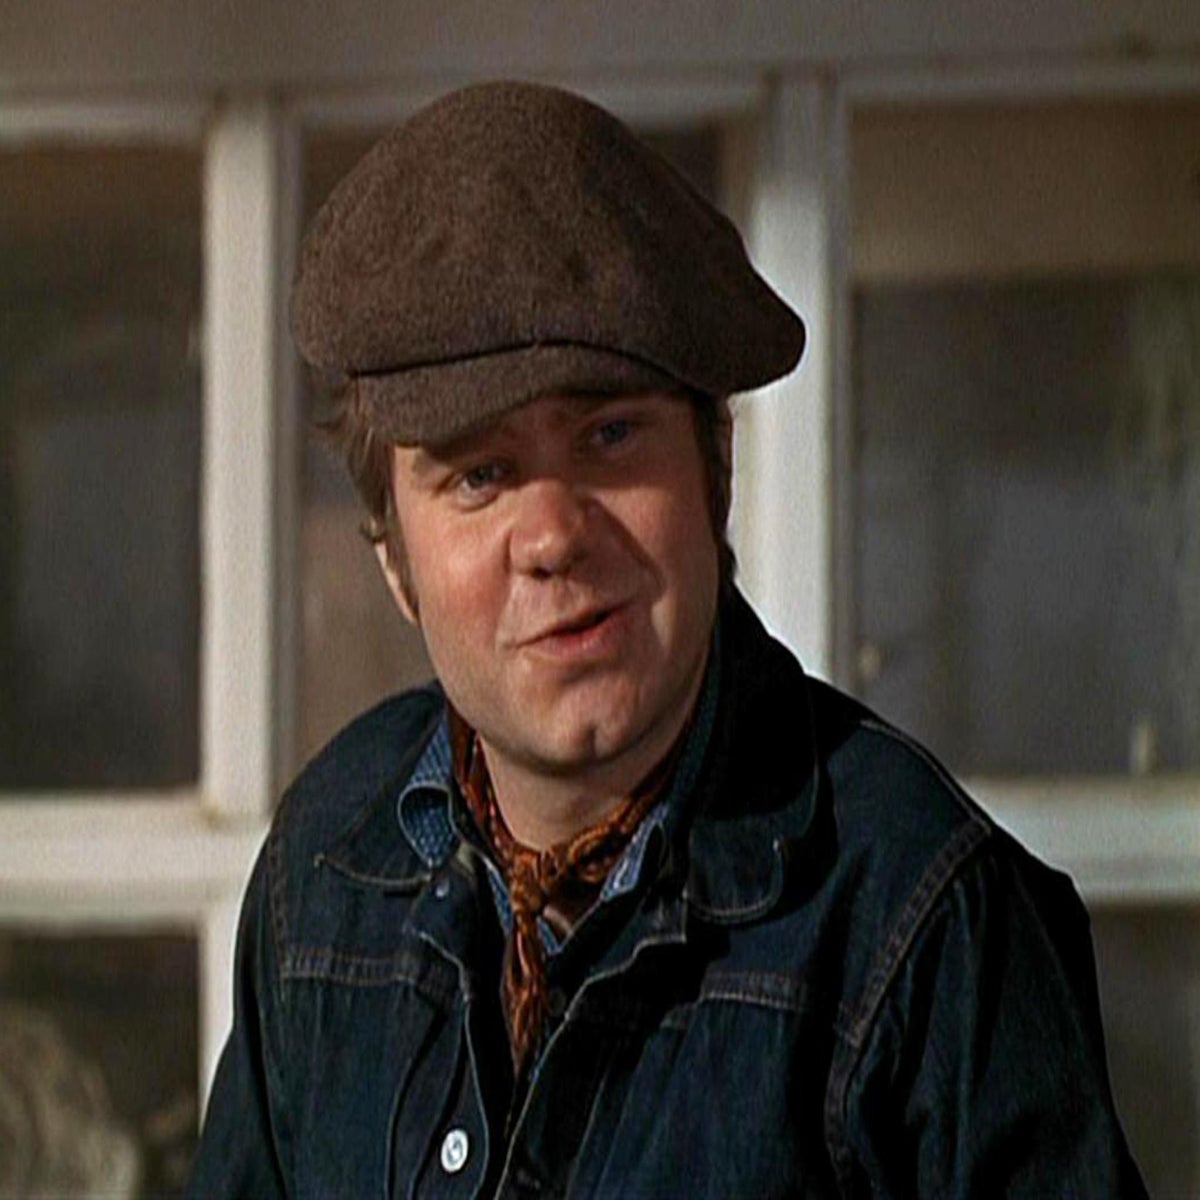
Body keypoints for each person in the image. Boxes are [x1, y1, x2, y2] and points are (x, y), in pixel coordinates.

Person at [188, 80, 1147, 1198]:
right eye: (480, 473)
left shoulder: (928, 922)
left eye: (610, 434)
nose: (553, 535)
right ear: (395, 561)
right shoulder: (325, 865)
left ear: (714, 474)